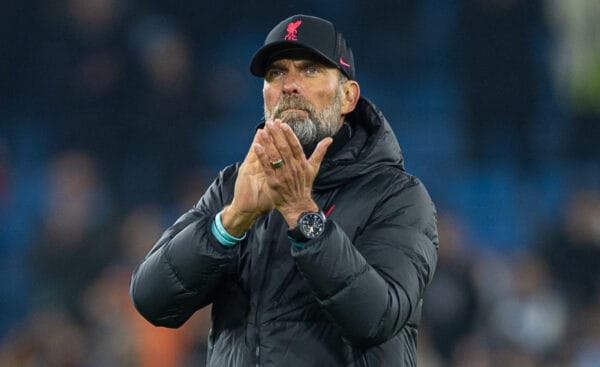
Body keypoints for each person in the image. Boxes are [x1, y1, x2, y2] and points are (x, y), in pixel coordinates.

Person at [130, 14, 438, 366]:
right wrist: (230, 223)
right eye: (276, 73)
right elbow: (151, 300)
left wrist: (304, 217)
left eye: (309, 70)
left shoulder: (397, 196)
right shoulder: (234, 187)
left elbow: (377, 318)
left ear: (348, 97)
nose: (289, 85)